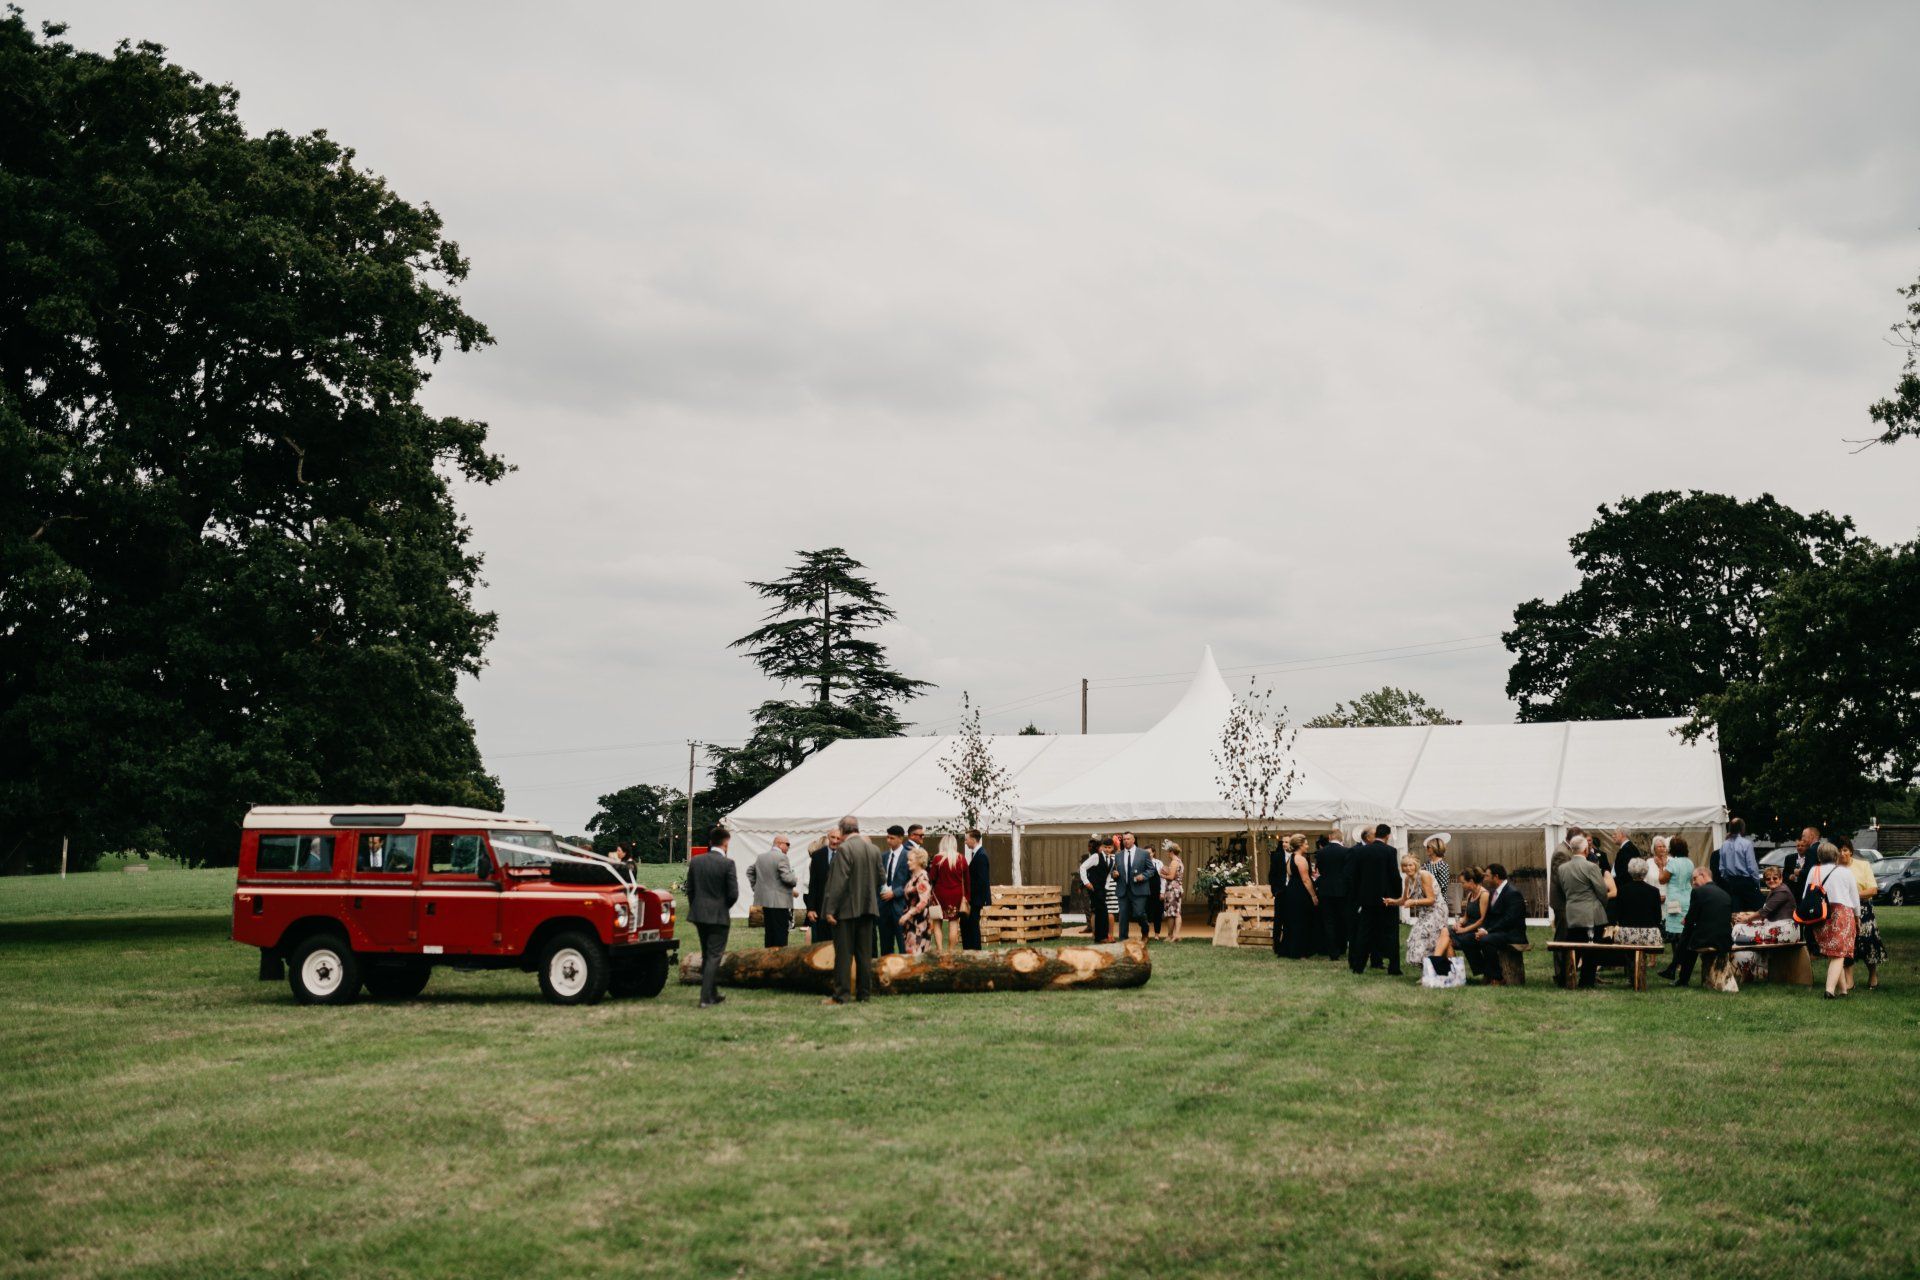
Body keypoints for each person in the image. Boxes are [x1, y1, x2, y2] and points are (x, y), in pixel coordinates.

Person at [823, 816, 882, 1004]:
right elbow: (882, 877)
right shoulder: (873, 849)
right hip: (868, 908)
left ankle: (841, 995)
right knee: (865, 955)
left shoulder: (844, 849)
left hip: (846, 910)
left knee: (844, 955)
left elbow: (838, 881)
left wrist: (830, 909)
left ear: (841, 831)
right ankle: (864, 994)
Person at [686, 826, 739, 1008]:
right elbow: (733, 894)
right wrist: (723, 907)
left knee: (707, 954)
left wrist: (697, 906)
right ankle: (704, 998)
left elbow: (690, 890)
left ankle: (713, 993)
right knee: (714, 956)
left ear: (710, 842)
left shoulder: (696, 861)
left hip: (699, 914)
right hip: (718, 915)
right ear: (726, 843)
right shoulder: (728, 863)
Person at [1554, 834, 1614, 987]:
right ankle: (1586, 981)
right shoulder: (1591, 867)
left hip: (1572, 913)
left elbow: (1562, 890)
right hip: (1591, 914)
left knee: (1574, 947)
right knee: (1591, 951)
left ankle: (1566, 978)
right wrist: (1603, 904)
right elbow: (1601, 891)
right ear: (1586, 850)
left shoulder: (1562, 869)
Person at [1806, 841, 1859, 998]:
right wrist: (1858, 918)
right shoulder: (1845, 872)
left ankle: (1843, 990)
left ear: (1819, 856)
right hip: (1842, 914)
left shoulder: (1813, 871)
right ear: (1836, 856)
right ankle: (1829, 990)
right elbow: (1855, 899)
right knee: (1839, 953)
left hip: (1821, 915)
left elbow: (1805, 896)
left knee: (1834, 953)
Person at [1730, 865, 1800, 982]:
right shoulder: (1775, 891)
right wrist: (1746, 916)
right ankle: (1750, 965)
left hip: (1786, 929)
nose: (1771, 881)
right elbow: (1764, 913)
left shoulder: (1782, 891)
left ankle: (1743, 959)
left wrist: (1746, 919)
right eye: (1768, 879)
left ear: (1781, 878)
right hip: (1777, 925)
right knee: (1741, 926)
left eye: (1775, 878)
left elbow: (1764, 912)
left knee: (1740, 928)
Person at [1351, 824, 1403, 976]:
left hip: (1367, 900)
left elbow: (1356, 877)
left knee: (1364, 932)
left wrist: (1358, 897)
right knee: (1391, 933)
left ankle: (1358, 966)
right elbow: (1394, 876)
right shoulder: (1390, 851)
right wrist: (1397, 896)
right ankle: (1393, 967)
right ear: (1387, 835)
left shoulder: (1361, 851)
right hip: (1386, 899)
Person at [1668, 866, 1733, 988]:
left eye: (1694, 878)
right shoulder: (1724, 893)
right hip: (1725, 938)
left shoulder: (1698, 892)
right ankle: (1673, 969)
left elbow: (1691, 919)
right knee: (1690, 935)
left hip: (1709, 938)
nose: (1693, 883)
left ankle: (1679, 975)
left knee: (1688, 937)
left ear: (1703, 875)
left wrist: (1687, 922)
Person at [1465, 864, 1528, 985]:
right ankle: (1485, 972)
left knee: (1486, 940)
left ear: (1496, 877)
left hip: (1512, 933)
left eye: (1487, 876)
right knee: (1467, 939)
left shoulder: (1513, 893)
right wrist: (1483, 928)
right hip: (1497, 931)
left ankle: (1498, 977)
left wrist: (1488, 931)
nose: (1484, 879)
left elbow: (1509, 920)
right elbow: (1488, 916)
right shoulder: (1493, 892)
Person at [1839, 838, 1884, 992]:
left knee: (1868, 942)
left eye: (1845, 850)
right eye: (1839, 850)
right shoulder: (1834, 869)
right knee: (1847, 945)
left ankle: (1872, 974)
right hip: (1843, 911)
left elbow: (1873, 889)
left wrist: (1854, 894)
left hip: (1864, 909)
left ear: (1850, 851)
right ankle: (1849, 980)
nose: (1842, 853)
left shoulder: (1863, 865)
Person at [1390, 852, 1445, 973]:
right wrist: (1392, 901)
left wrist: (1413, 902)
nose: (1408, 868)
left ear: (1416, 865)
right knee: (1415, 939)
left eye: (1410, 865)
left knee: (1422, 937)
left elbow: (1431, 899)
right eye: (1405, 866)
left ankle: (1431, 972)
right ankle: (1426, 972)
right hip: (1424, 912)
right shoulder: (1407, 879)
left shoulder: (1423, 875)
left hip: (1436, 910)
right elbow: (1404, 900)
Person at [1653, 836, 1696, 981]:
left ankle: (1676, 964)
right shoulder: (1690, 863)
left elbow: (1662, 879)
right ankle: (1677, 965)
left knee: (1675, 934)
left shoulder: (1673, 863)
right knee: (1683, 931)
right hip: (1687, 897)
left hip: (1674, 900)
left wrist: (1660, 867)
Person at [748, 835, 798, 948]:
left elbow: (750, 871)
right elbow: (787, 878)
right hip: (780, 902)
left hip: (765, 901)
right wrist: (794, 879)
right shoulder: (782, 857)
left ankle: (768, 958)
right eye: (788, 844)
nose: (789, 847)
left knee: (769, 932)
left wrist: (756, 888)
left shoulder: (761, 857)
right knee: (781, 933)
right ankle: (779, 960)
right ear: (779, 844)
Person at [1609, 857, 1665, 947]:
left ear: (1630, 871)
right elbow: (1658, 917)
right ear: (1645, 871)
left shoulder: (1622, 890)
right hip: (1649, 934)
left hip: (1627, 934)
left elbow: (1618, 914)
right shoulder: (1654, 891)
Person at [1279, 834, 1319, 958]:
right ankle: (1300, 951)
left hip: (1291, 891)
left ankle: (1290, 949)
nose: (1308, 846)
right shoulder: (1300, 859)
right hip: (1300, 892)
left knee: (1293, 920)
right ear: (1300, 845)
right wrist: (1313, 896)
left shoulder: (1290, 858)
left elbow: (1290, 876)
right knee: (1301, 920)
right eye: (1306, 844)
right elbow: (1306, 880)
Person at [1316, 829, 1352, 961]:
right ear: (1341, 838)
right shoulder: (1347, 851)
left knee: (1329, 921)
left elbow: (1319, 869)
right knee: (1343, 919)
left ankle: (1333, 952)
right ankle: (1343, 947)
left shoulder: (1321, 852)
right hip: (1342, 890)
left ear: (1330, 837)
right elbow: (1349, 872)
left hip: (1325, 890)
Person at [930, 834, 969, 953]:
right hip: (956, 894)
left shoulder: (937, 858)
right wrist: (966, 897)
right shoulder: (961, 858)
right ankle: (951, 952)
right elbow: (967, 880)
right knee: (953, 924)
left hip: (939, 894)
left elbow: (932, 878)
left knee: (937, 923)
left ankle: (940, 951)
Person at [1715, 818, 1764, 911]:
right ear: (1742, 828)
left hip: (1732, 883)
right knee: (1759, 909)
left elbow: (1722, 868)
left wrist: (1729, 880)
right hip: (1746, 882)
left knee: (1737, 911)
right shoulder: (1746, 844)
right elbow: (1752, 867)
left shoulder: (1724, 845)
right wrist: (1756, 882)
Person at [1115, 832, 1155, 942]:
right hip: (1123, 889)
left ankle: (1145, 930)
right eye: (1124, 839)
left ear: (1133, 840)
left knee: (1138, 913)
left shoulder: (1143, 853)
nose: (1126, 841)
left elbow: (1151, 870)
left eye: (1128, 839)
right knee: (1123, 916)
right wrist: (1115, 874)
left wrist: (1143, 875)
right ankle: (1123, 939)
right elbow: (1115, 871)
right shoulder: (1118, 855)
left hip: (1139, 889)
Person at [877, 826, 911, 955]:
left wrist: (895, 893)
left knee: (903, 944)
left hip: (901, 905)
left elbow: (911, 881)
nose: (888, 840)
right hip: (884, 905)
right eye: (887, 837)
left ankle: (905, 972)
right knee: (885, 944)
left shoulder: (908, 856)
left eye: (892, 838)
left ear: (901, 838)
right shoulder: (884, 856)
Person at [898, 846, 937, 956]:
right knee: (910, 952)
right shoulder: (914, 876)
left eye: (911, 860)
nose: (908, 862)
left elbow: (924, 902)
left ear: (919, 861)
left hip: (919, 923)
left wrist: (907, 915)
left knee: (916, 953)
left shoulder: (922, 877)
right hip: (911, 922)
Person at [960, 829, 992, 950]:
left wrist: (971, 898)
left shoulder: (981, 856)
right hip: (974, 898)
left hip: (975, 899)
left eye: (966, 839)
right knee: (968, 924)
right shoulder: (978, 854)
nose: (965, 842)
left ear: (973, 840)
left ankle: (974, 950)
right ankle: (970, 949)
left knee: (972, 925)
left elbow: (981, 880)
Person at [1078, 837, 1114, 942]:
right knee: (1101, 911)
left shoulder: (1111, 861)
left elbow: (1108, 876)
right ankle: (1100, 937)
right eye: (1105, 847)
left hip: (1102, 889)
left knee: (1102, 912)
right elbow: (1083, 867)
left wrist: (1106, 887)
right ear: (1101, 847)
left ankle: (1103, 937)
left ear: (1112, 848)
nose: (1107, 849)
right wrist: (1086, 882)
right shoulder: (1096, 856)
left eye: (1109, 847)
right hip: (1094, 888)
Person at [804, 832, 838, 943]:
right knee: (822, 943)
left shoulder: (848, 855)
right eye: (833, 837)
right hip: (821, 907)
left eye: (838, 838)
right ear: (828, 837)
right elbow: (813, 884)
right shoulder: (817, 855)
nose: (835, 841)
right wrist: (811, 908)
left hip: (841, 908)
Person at [1450, 866, 1489, 953]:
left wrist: (1464, 930)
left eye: (1463, 883)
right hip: (1468, 926)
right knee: (1445, 932)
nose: (1462, 885)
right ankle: (1454, 966)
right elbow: (1465, 917)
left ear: (1471, 881)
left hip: (1477, 929)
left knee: (1452, 941)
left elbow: (1482, 920)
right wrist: (1458, 923)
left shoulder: (1484, 895)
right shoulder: (1470, 895)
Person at [1781, 825, 1821, 896]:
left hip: (1809, 889)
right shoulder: (1821, 848)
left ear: (1811, 836)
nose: (1803, 839)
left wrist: (1798, 872)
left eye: (1804, 836)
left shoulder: (1811, 850)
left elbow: (1809, 871)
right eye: (1798, 846)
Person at [1158, 841, 1185, 940]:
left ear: (1171, 852)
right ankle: (1175, 935)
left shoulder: (1174, 862)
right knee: (1176, 912)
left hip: (1172, 889)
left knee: (1171, 913)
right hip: (1177, 888)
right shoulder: (1179, 861)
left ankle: (1171, 935)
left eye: (1168, 852)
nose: (1167, 854)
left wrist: (1161, 874)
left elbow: (1171, 877)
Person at [1423, 834, 1454, 911]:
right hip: (1426, 901)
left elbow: (1442, 886)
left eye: (1428, 847)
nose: (1426, 849)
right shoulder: (1425, 864)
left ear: (1434, 848)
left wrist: (1427, 891)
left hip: (1439, 903)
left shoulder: (1443, 865)